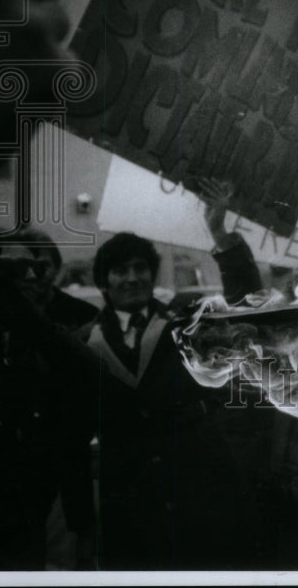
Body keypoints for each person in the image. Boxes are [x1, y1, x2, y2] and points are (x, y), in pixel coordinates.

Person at [86, 231, 249, 570]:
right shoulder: (87, 340)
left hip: (198, 486)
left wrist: (225, 240)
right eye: (120, 270)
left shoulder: (184, 324)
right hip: (131, 501)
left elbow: (244, 309)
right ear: (103, 281)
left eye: (140, 267)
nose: (132, 278)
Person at [0, 238, 96, 570]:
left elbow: (87, 372)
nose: (29, 276)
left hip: (30, 509)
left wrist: (24, 313)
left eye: (36, 268)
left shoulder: (38, 333)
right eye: (11, 269)